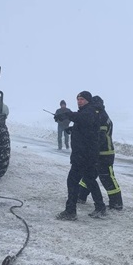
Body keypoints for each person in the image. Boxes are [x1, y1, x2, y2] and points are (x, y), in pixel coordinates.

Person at [54, 91, 106, 220]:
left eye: (82, 99)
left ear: (88, 100)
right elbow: (86, 129)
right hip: (85, 155)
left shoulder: (90, 111)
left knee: (72, 181)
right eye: (78, 99)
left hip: (83, 155)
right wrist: (72, 129)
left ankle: (70, 211)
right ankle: (100, 207)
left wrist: (66, 115)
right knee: (89, 181)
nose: (79, 101)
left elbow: (83, 118)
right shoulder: (87, 112)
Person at [78, 95, 124, 210]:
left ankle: (116, 203)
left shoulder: (101, 117)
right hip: (99, 152)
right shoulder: (102, 115)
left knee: (107, 177)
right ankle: (81, 196)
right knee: (89, 175)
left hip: (105, 153)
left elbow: (100, 137)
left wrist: (92, 149)